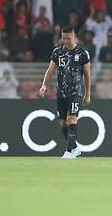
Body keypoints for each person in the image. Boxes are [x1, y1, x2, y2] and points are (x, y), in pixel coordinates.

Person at [38, 26, 92, 159]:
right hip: (61, 92)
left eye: (68, 38)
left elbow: (87, 74)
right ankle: (74, 148)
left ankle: (69, 151)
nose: (66, 40)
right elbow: (50, 70)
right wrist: (44, 84)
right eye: (64, 38)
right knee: (62, 123)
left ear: (74, 36)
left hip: (76, 92)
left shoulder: (82, 53)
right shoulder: (58, 52)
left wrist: (87, 94)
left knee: (72, 118)